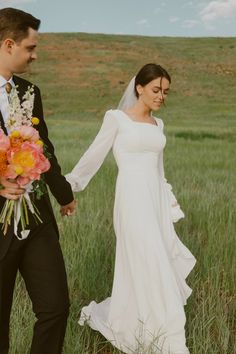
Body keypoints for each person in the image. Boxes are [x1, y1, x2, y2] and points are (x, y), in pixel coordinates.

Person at [66, 63, 196, 354]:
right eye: (155, 90)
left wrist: (170, 203)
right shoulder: (117, 119)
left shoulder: (159, 125)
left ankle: (152, 322)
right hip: (131, 200)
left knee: (158, 258)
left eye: (165, 92)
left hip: (155, 202)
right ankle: (161, 332)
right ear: (139, 88)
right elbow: (94, 154)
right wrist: (70, 184)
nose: (161, 96)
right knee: (146, 257)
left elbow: (159, 170)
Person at [0, 8, 76, 354]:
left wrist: (64, 193)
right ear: (9, 44)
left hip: (38, 218)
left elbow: (45, 149)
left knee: (55, 307)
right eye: (30, 48)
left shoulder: (30, 92)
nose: (35, 55)